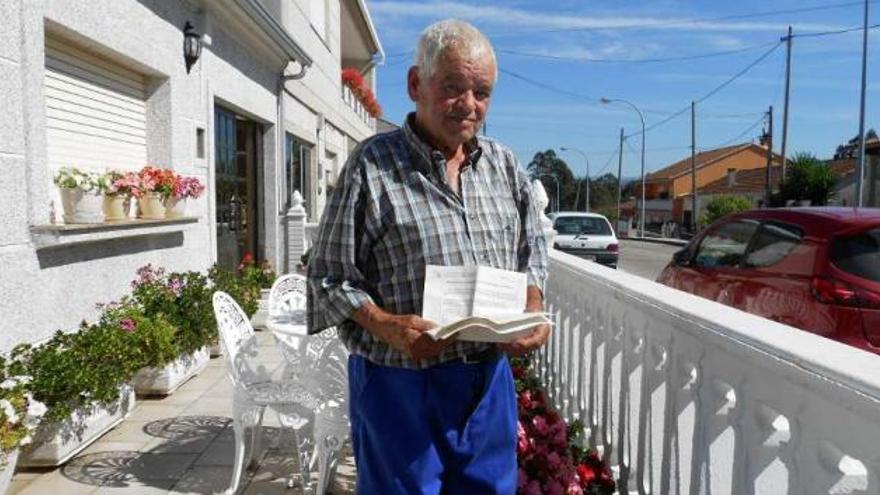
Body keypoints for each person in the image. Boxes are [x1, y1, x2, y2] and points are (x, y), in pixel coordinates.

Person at [307, 19, 549, 495]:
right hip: (399, 383)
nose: (469, 105)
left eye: (482, 92)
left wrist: (533, 301)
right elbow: (327, 277)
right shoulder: (371, 165)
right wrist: (384, 324)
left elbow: (534, 246)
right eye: (454, 87)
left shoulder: (503, 165)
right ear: (416, 84)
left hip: (486, 383)